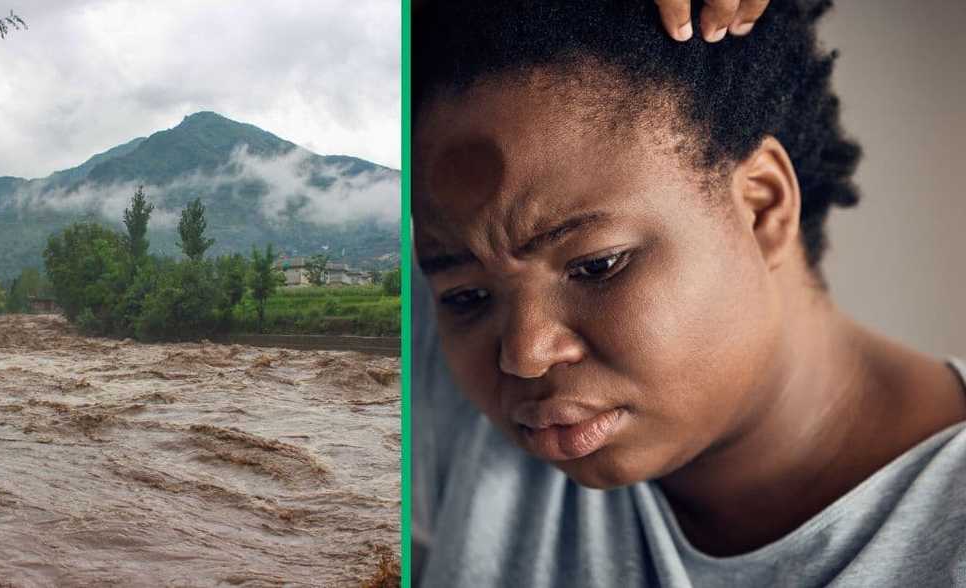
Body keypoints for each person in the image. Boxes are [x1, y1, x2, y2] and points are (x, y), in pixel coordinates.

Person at [410, 1, 966, 586]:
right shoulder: (447, 391)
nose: (524, 355)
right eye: (466, 298)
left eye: (597, 265)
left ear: (762, 204)